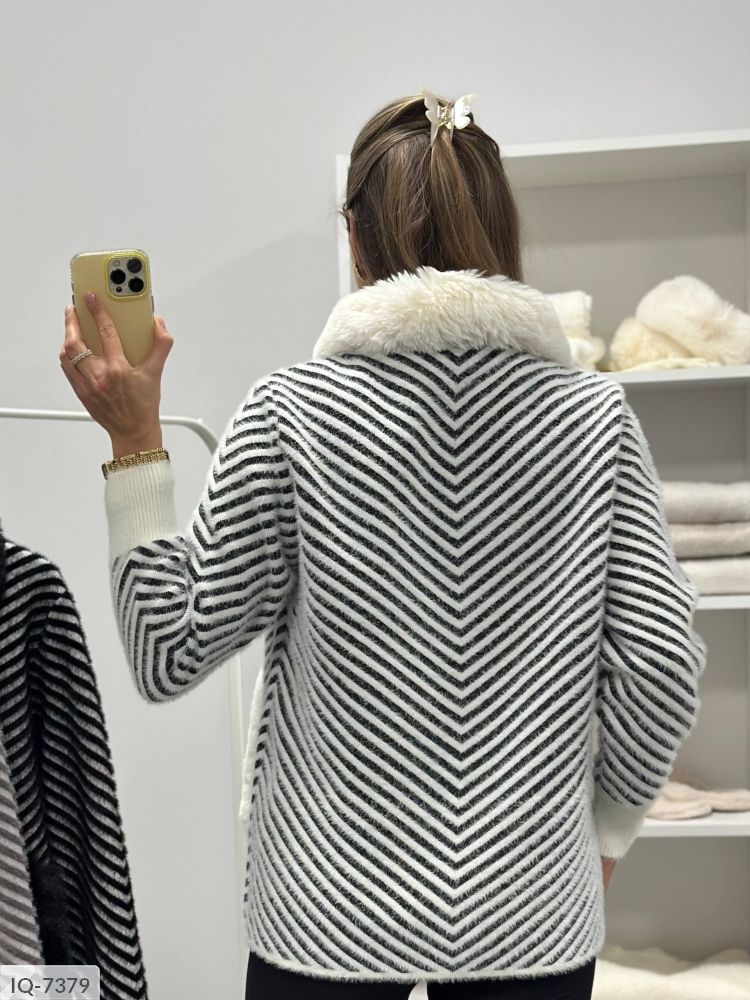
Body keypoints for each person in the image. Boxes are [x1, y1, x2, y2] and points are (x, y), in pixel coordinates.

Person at [60, 88, 707, 1000]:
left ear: (356, 238)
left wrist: (135, 443)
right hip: (530, 910)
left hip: (327, 911)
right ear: (500, 230)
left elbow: (167, 651)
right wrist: (601, 839)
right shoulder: (596, 419)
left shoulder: (290, 415)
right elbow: (661, 664)